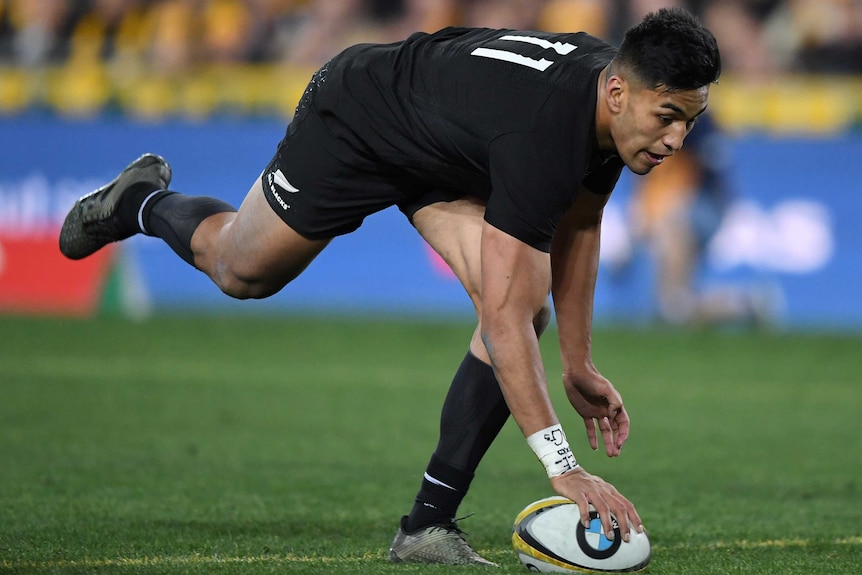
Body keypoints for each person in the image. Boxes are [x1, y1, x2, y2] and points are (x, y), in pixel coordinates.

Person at [59, 7, 720, 566]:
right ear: (618, 93)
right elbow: (501, 318)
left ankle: (427, 525)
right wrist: (563, 466)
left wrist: (578, 361)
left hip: (446, 143)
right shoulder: (547, 129)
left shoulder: (606, 104)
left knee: (525, 309)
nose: (677, 137)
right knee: (241, 270)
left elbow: (581, 220)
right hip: (362, 114)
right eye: (667, 116)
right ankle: (139, 201)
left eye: (688, 120)